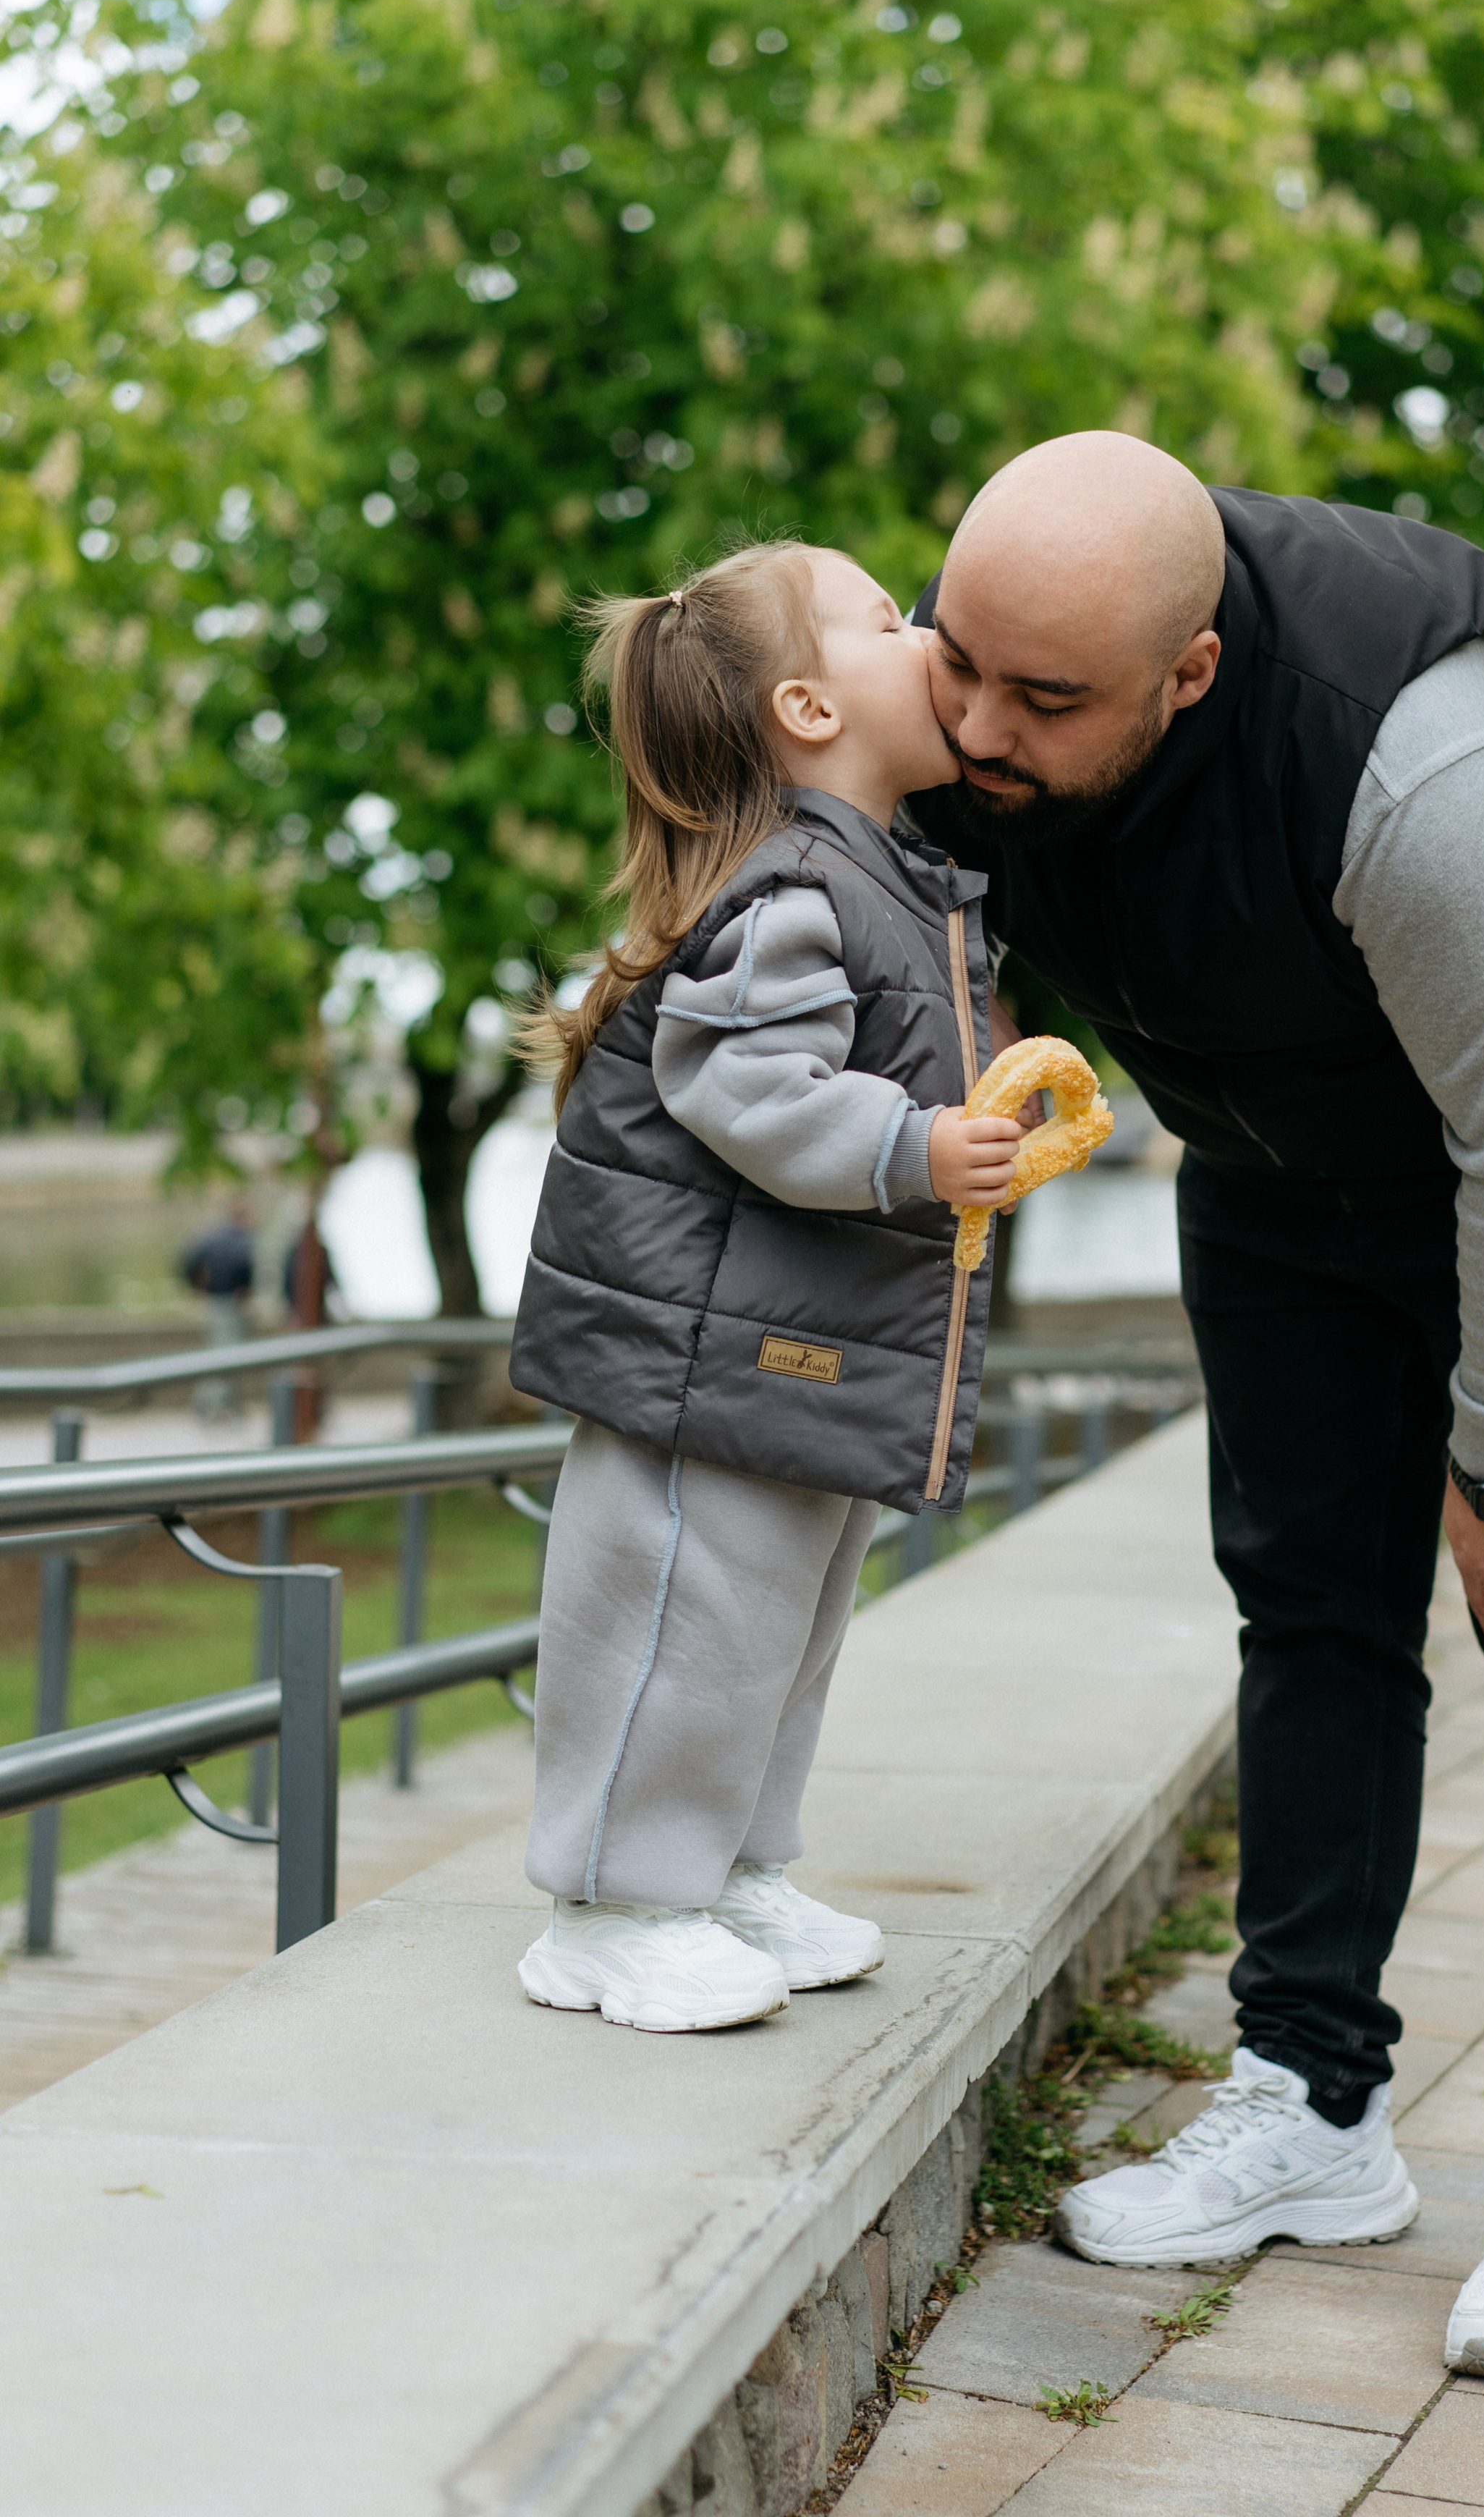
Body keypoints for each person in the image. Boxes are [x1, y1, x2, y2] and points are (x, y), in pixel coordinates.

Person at [905, 431, 1484, 2382]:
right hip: (1270, 1127)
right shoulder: (967, 683)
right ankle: (1312, 2105)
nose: (977, 729)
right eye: (957, 663)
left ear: (1188, 673)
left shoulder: (1407, 754)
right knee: (1308, 1592)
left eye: (1045, 701)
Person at [506, 542, 1023, 2033]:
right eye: (884, 619)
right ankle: (606, 1908)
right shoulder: (793, 885)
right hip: (701, 1368)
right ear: (807, 707)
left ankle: (723, 1869)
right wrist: (915, 1145)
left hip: (782, 1354)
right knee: (670, 1624)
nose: (923, 630)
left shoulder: (873, 875)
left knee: (771, 1642)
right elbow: (744, 1082)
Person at [179, 1199, 255, 1420]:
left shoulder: (211, 1237)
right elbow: (245, 1267)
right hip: (231, 1302)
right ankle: (214, 1407)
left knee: (218, 1353)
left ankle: (220, 1406)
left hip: (213, 1301)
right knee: (228, 1356)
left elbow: (188, 1261)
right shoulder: (242, 1240)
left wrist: (197, 1288)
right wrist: (244, 1291)